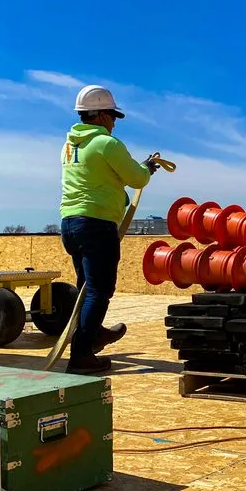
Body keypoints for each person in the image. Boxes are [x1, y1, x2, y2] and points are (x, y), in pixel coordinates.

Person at [59, 84, 161, 375]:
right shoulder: (107, 144)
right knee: (99, 289)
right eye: (113, 116)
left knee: (86, 288)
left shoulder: (70, 146)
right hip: (96, 225)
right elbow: (136, 178)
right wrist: (148, 168)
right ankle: (82, 354)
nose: (115, 122)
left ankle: (95, 333)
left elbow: (99, 178)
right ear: (101, 115)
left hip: (71, 223)